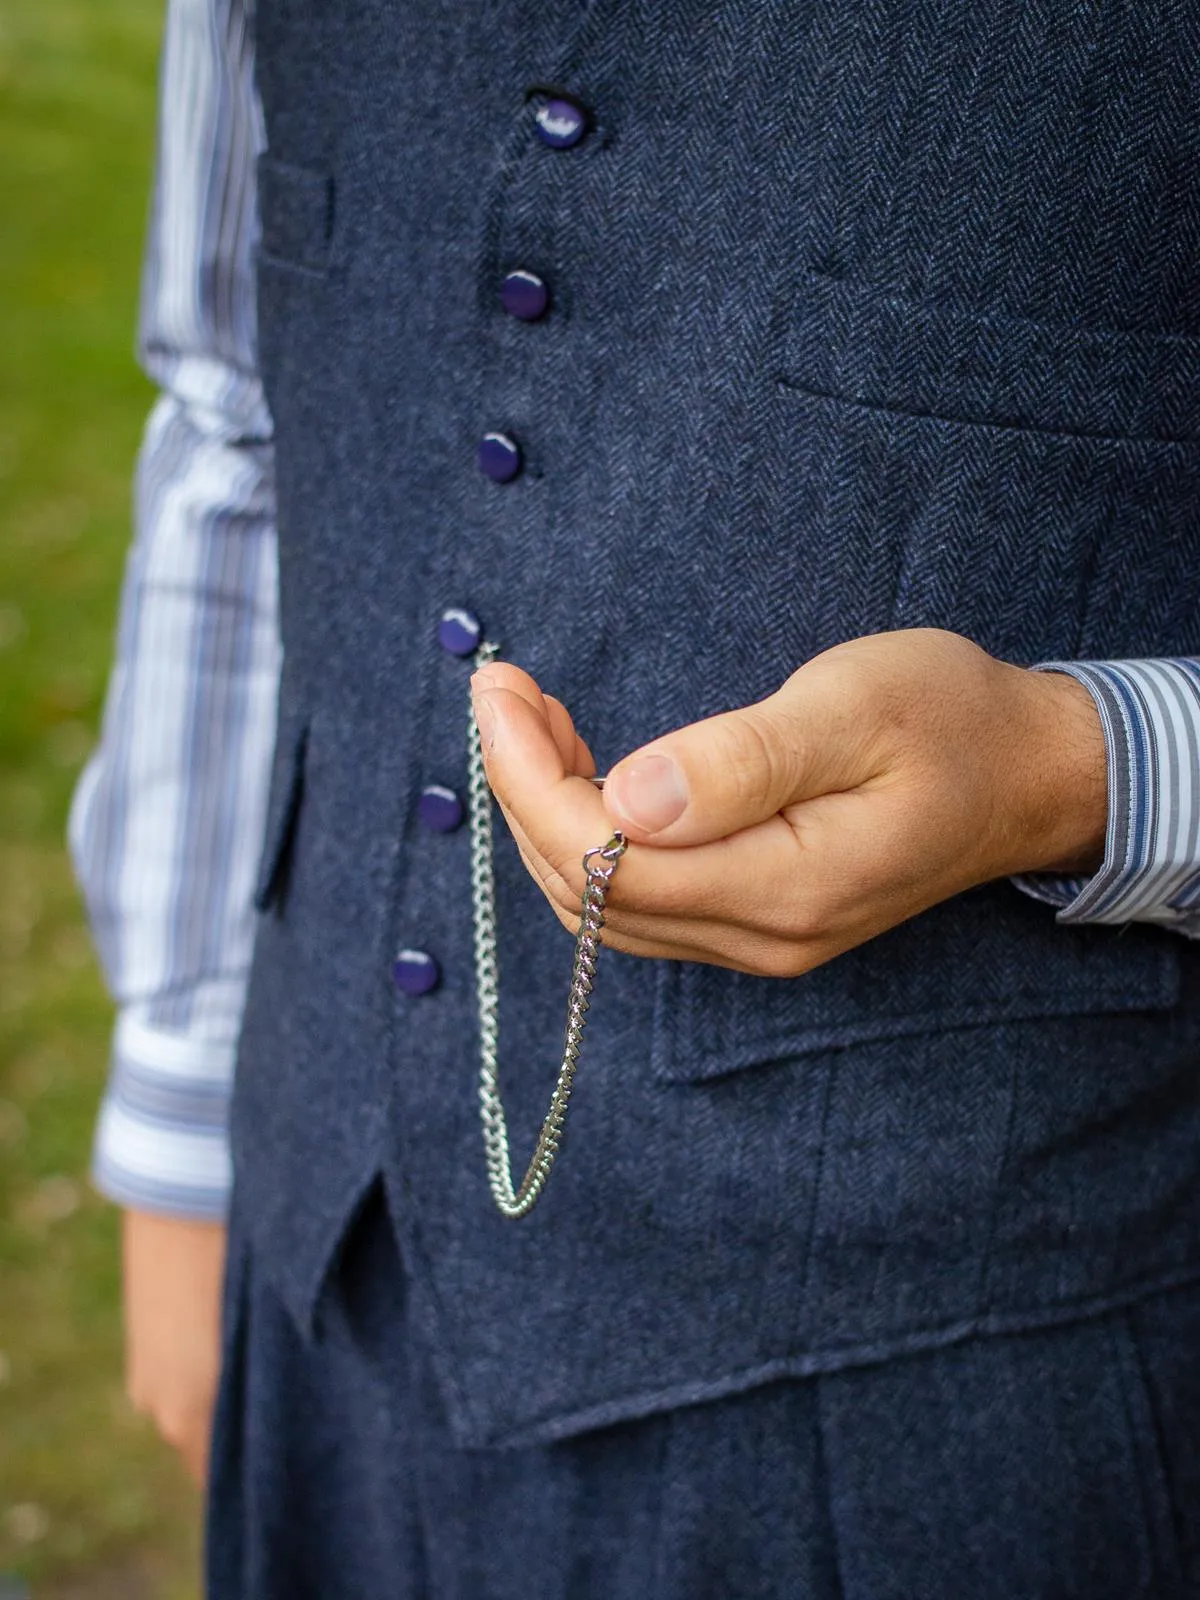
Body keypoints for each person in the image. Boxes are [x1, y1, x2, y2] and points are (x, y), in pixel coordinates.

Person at [70, 0, 1200, 1594]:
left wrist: (1074, 768)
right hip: (325, 1268)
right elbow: (233, 419)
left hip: (959, 1387)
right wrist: (186, 1129)